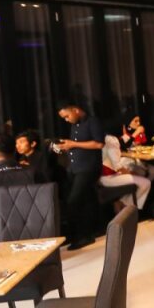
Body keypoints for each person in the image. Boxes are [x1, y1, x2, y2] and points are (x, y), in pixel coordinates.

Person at [57, 102, 105, 250]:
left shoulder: (92, 121)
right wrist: (66, 147)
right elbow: (76, 144)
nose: (66, 120)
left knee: (74, 201)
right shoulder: (74, 125)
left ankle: (83, 236)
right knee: (87, 200)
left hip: (89, 168)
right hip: (75, 168)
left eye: (67, 116)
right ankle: (92, 231)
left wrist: (73, 144)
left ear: (76, 110)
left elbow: (99, 144)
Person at [99, 134, 152, 210]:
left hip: (105, 175)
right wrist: (131, 173)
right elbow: (118, 166)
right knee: (146, 183)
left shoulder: (105, 138)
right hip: (108, 177)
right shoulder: (111, 139)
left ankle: (123, 203)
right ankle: (125, 207)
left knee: (140, 173)